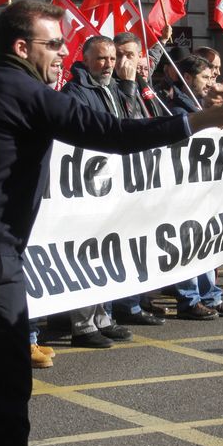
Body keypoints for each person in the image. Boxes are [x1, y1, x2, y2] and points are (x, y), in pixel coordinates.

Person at [0, 0, 223, 446]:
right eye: (55, 44)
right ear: (22, 46)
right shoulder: (22, 89)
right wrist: (200, 120)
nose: (64, 53)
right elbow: (112, 133)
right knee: (6, 389)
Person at [62, 35, 162, 346]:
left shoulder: (115, 88)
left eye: (111, 58)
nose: (108, 64)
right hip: (89, 187)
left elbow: (131, 122)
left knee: (107, 255)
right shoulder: (75, 91)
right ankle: (83, 325)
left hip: (114, 187)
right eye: (101, 59)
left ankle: (102, 316)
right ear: (86, 59)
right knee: (87, 255)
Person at [167, 55, 223, 320]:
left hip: (207, 185)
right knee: (188, 241)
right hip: (186, 186)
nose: (211, 83)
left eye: (212, 77)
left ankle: (210, 294)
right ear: (187, 78)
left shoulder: (202, 104)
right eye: (205, 77)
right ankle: (189, 298)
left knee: (207, 240)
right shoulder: (176, 107)